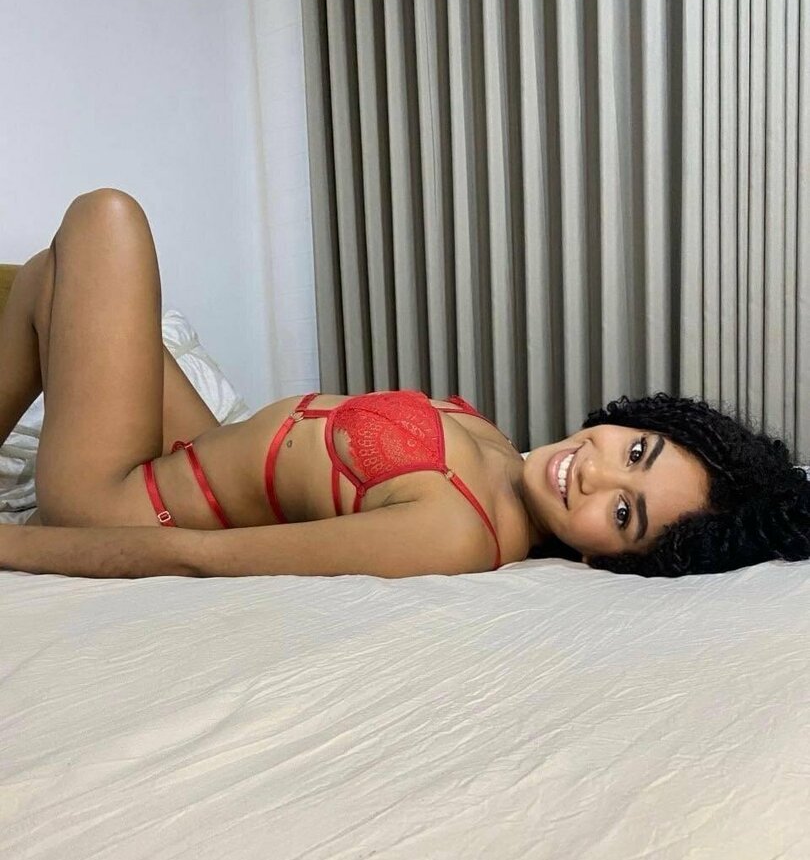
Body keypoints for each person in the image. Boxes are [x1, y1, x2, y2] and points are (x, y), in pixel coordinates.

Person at [1, 188, 808, 580]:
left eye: (624, 514)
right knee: (47, 277)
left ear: (611, 560)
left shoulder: (457, 533)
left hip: (127, 502)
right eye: (635, 452)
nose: (595, 474)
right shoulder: (502, 454)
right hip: (201, 450)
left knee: (106, 219)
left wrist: (18, 547)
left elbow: (202, 558)